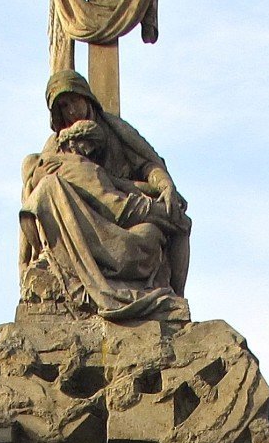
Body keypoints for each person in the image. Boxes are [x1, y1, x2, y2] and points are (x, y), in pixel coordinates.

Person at [19, 69, 190, 321]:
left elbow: (148, 164)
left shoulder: (116, 131)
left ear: (85, 97)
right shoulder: (55, 151)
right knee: (177, 222)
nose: (70, 113)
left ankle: (176, 296)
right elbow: (32, 202)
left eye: (72, 102)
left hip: (121, 210)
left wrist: (164, 185)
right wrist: (25, 265)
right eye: (62, 108)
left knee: (177, 221)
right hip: (93, 219)